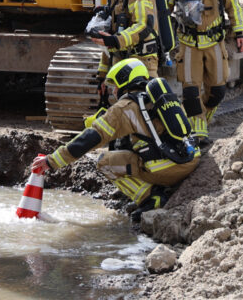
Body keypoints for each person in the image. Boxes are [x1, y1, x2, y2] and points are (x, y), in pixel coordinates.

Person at [33, 58, 199, 212]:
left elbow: (91, 138)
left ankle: (150, 198)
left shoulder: (124, 107)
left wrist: (51, 160)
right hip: (191, 159)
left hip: (166, 169)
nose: (113, 91)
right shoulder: (162, 97)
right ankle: (161, 185)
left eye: (115, 86)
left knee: (104, 162)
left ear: (124, 81)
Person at [163, 0, 243, 145]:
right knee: (190, 91)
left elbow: (232, 5)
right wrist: (163, 38)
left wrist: (240, 32)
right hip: (188, 44)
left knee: (217, 90)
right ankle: (197, 132)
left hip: (214, 42)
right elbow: (163, 10)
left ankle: (200, 121)